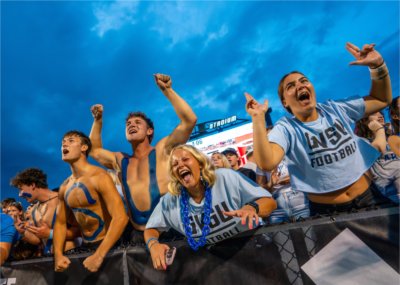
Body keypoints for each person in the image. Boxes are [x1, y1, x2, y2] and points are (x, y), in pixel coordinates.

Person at [245, 42, 392, 216]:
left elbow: (381, 99)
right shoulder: (286, 128)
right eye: (290, 86)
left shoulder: (336, 108)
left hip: (370, 197)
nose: (300, 86)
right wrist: (257, 119)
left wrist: (378, 67)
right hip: (328, 214)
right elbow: (267, 163)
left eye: (304, 81)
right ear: (285, 102)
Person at [89, 74, 197, 241]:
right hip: (138, 234)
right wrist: (98, 121)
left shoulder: (162, 149)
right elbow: (94, 150)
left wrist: (167, 90)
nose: (131, 125)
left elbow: (189, 121)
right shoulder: (120, 160)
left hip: (171, 231)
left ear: (149, 131)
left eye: (137, 123)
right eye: (128, 124)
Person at [144, 144, 276, 270]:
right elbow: (151, 229)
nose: (180, 165)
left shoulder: (225, 177)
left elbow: (269, 201)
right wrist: (153, 245)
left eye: (185, 159)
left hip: (256, 252)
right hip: (216, 264)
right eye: (175, 164)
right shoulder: (170, 201)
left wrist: (252, 208)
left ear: (200, 164)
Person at [54, 131, 128, 273]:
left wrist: (99, 255)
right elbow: (60, 222)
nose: (64, 143)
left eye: (70, 140)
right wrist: (58, 255)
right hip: (86, 245)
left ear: (84, 147)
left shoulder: (99, 176)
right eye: (63, 141)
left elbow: (121, 217)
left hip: (110, 246)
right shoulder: (64, 186)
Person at [10, 168, 80, 255]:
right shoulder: (33, 211)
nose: (20, 194)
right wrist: (23, 232)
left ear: (32, 185)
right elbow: (37, 240)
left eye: (21, 189)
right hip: (48, 258)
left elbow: (80, 231)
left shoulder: (63, 201)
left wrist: (50, 233)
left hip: (70, 256)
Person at [355, 112, 399, 203]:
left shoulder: (392, 138)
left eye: (381, 113)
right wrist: (379, 129)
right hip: (391, 186)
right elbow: (378, 148)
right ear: (364, 120)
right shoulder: (362, 142)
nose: (381, 116)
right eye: (374, 113)